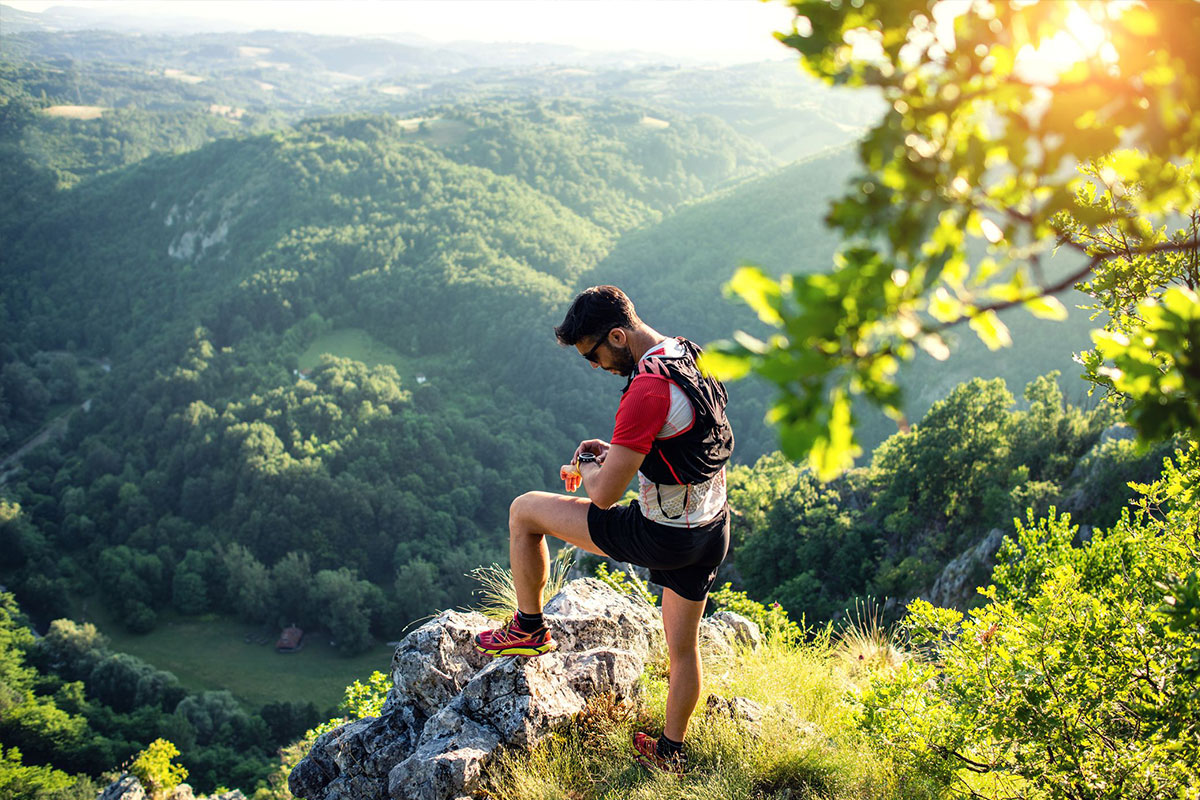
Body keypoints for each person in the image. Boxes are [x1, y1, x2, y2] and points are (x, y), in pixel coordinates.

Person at [473, 285, 734, 773]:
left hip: (661, 534)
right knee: (683, 649)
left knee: (524, 511)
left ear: (618, 335)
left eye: (595, 354)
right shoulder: (687, 354)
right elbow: (679, 438)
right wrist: (614, 450)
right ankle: (671, 753)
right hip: (711, 529)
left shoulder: (646, 389)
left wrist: (593, 461)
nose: (595, 366)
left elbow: (602, 496)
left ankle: (528, 627)